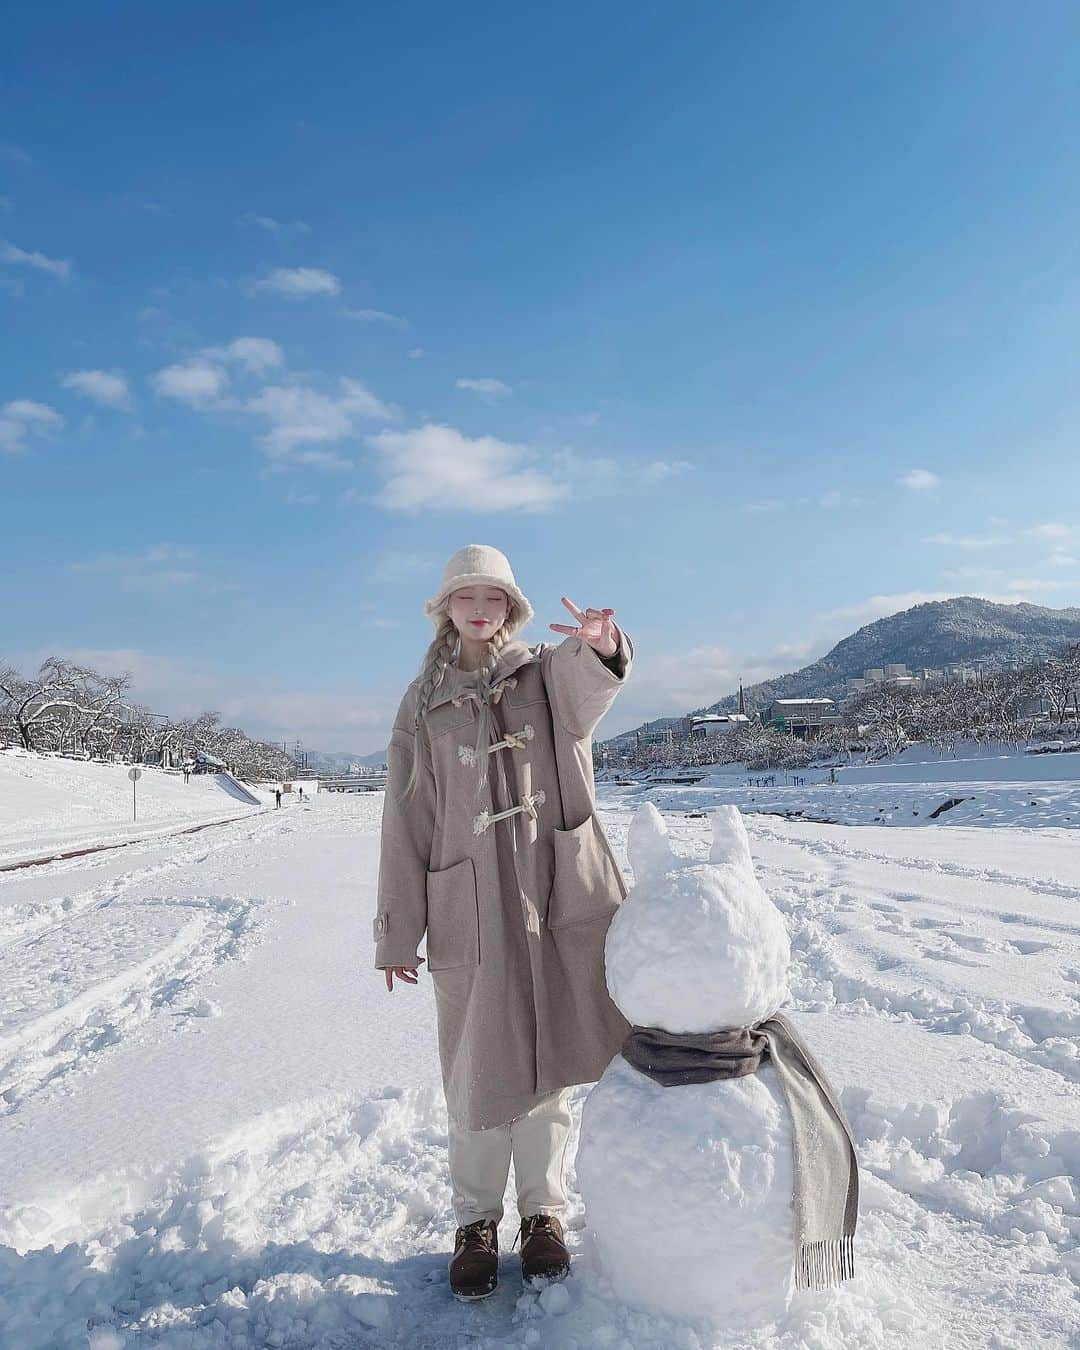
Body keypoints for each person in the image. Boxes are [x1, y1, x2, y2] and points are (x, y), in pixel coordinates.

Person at [373, 543, 633, 1301]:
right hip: (470, 907)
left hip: (552, 897)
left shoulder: (546, 674)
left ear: (512, 609)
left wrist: (600, 646)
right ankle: (476, 1222)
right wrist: (398, 931)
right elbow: (404, 820)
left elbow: (589, 697)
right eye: (465, 597)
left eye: (493, 598)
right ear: (447, 610)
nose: (480, 609)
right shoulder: (421, 703)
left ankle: (543, 1214)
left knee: (550, 1059)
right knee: (477, 1070)